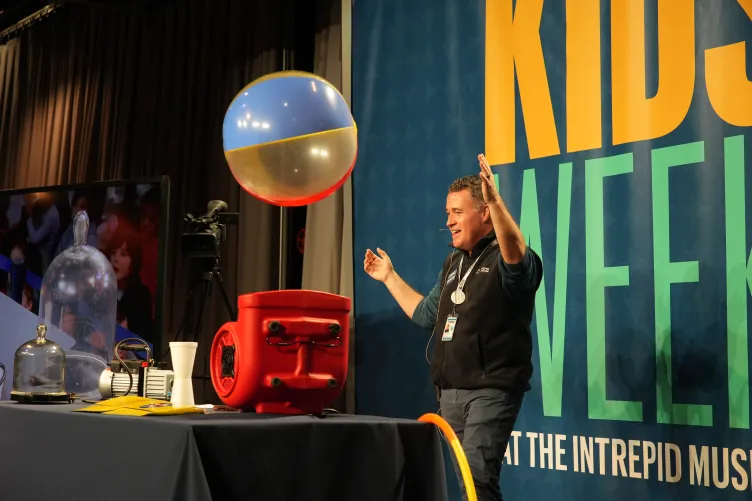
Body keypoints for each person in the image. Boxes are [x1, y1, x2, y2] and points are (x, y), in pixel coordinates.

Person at [363, 153, 543, 501]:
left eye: (457, 212)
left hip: (490, 389)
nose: (449, 221)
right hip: (451, 393)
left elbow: (516, 257)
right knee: (466, 483)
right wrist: (388, 277)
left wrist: (497, 201)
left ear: (485, 213)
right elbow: (426, 314)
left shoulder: (508, 258)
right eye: (448, 213)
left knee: (477, 481)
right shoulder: (454, 263)